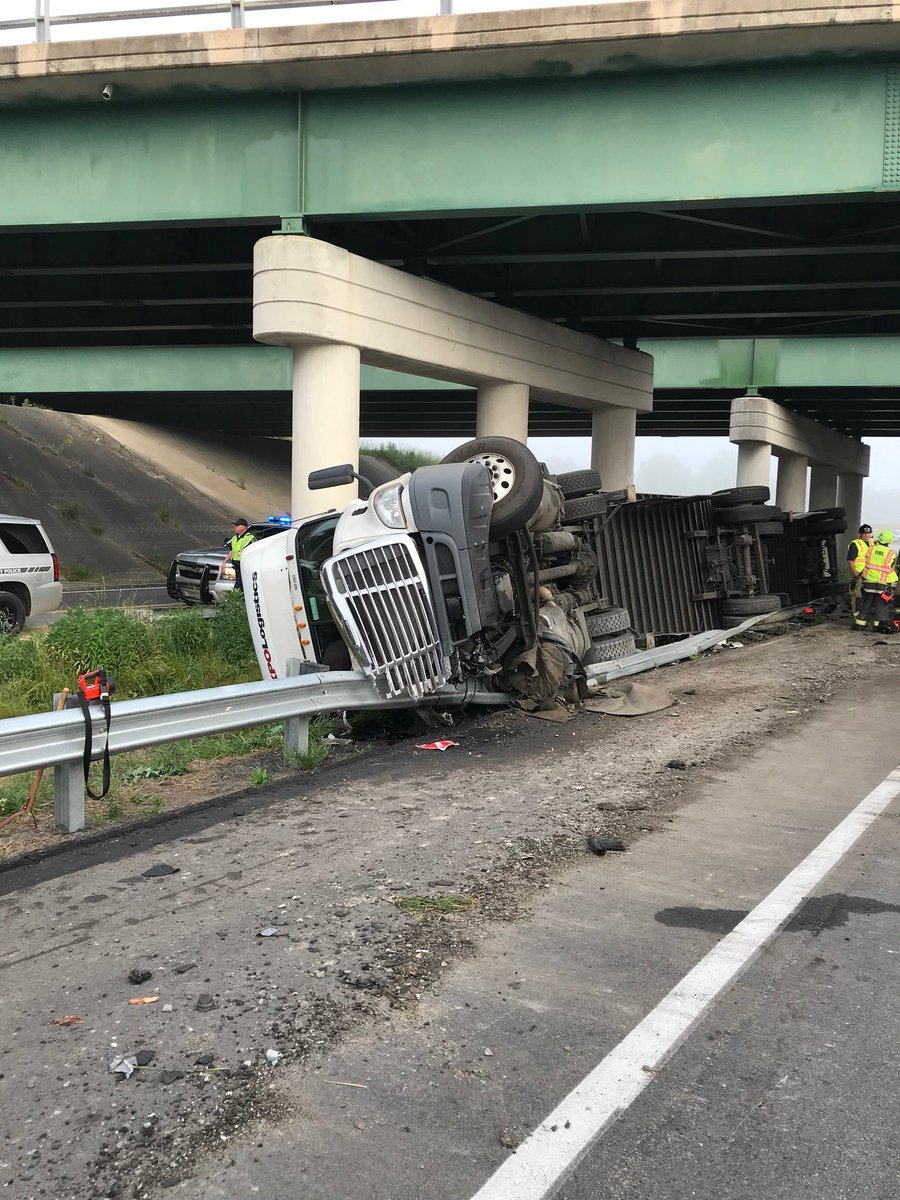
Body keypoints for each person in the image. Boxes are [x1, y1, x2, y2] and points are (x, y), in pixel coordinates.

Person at [852, 530, 897, 633]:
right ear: (889, 541)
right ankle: (878, 627)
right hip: (882, 583)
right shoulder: (891, 553)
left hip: (868, 582)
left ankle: (859, 625)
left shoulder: (870, 549)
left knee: (866, 603)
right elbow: (890, 568)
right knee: (881, 606)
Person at [846, 524, 874, 618]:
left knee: (866, 594)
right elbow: (850, 560)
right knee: (856, 594)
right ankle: (856, 614)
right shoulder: (855, 544)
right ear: (860, 534)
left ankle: (864, 613)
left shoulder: (871, 544)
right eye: (864, 533)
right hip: (858, 573)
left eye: (868, 533)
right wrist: (855, 574)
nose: (867, 535)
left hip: (868, 573)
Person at [222, 518, 255, 592]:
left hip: (244, 566)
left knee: (237, 587)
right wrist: (224, 561)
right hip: (236, 567)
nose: (235, 527)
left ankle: (235, 602)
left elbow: (253, 554)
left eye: (236, 525)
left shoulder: (250, 538)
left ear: (243, 527)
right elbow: (232, 551)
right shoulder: (234, 538)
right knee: (241, 587)